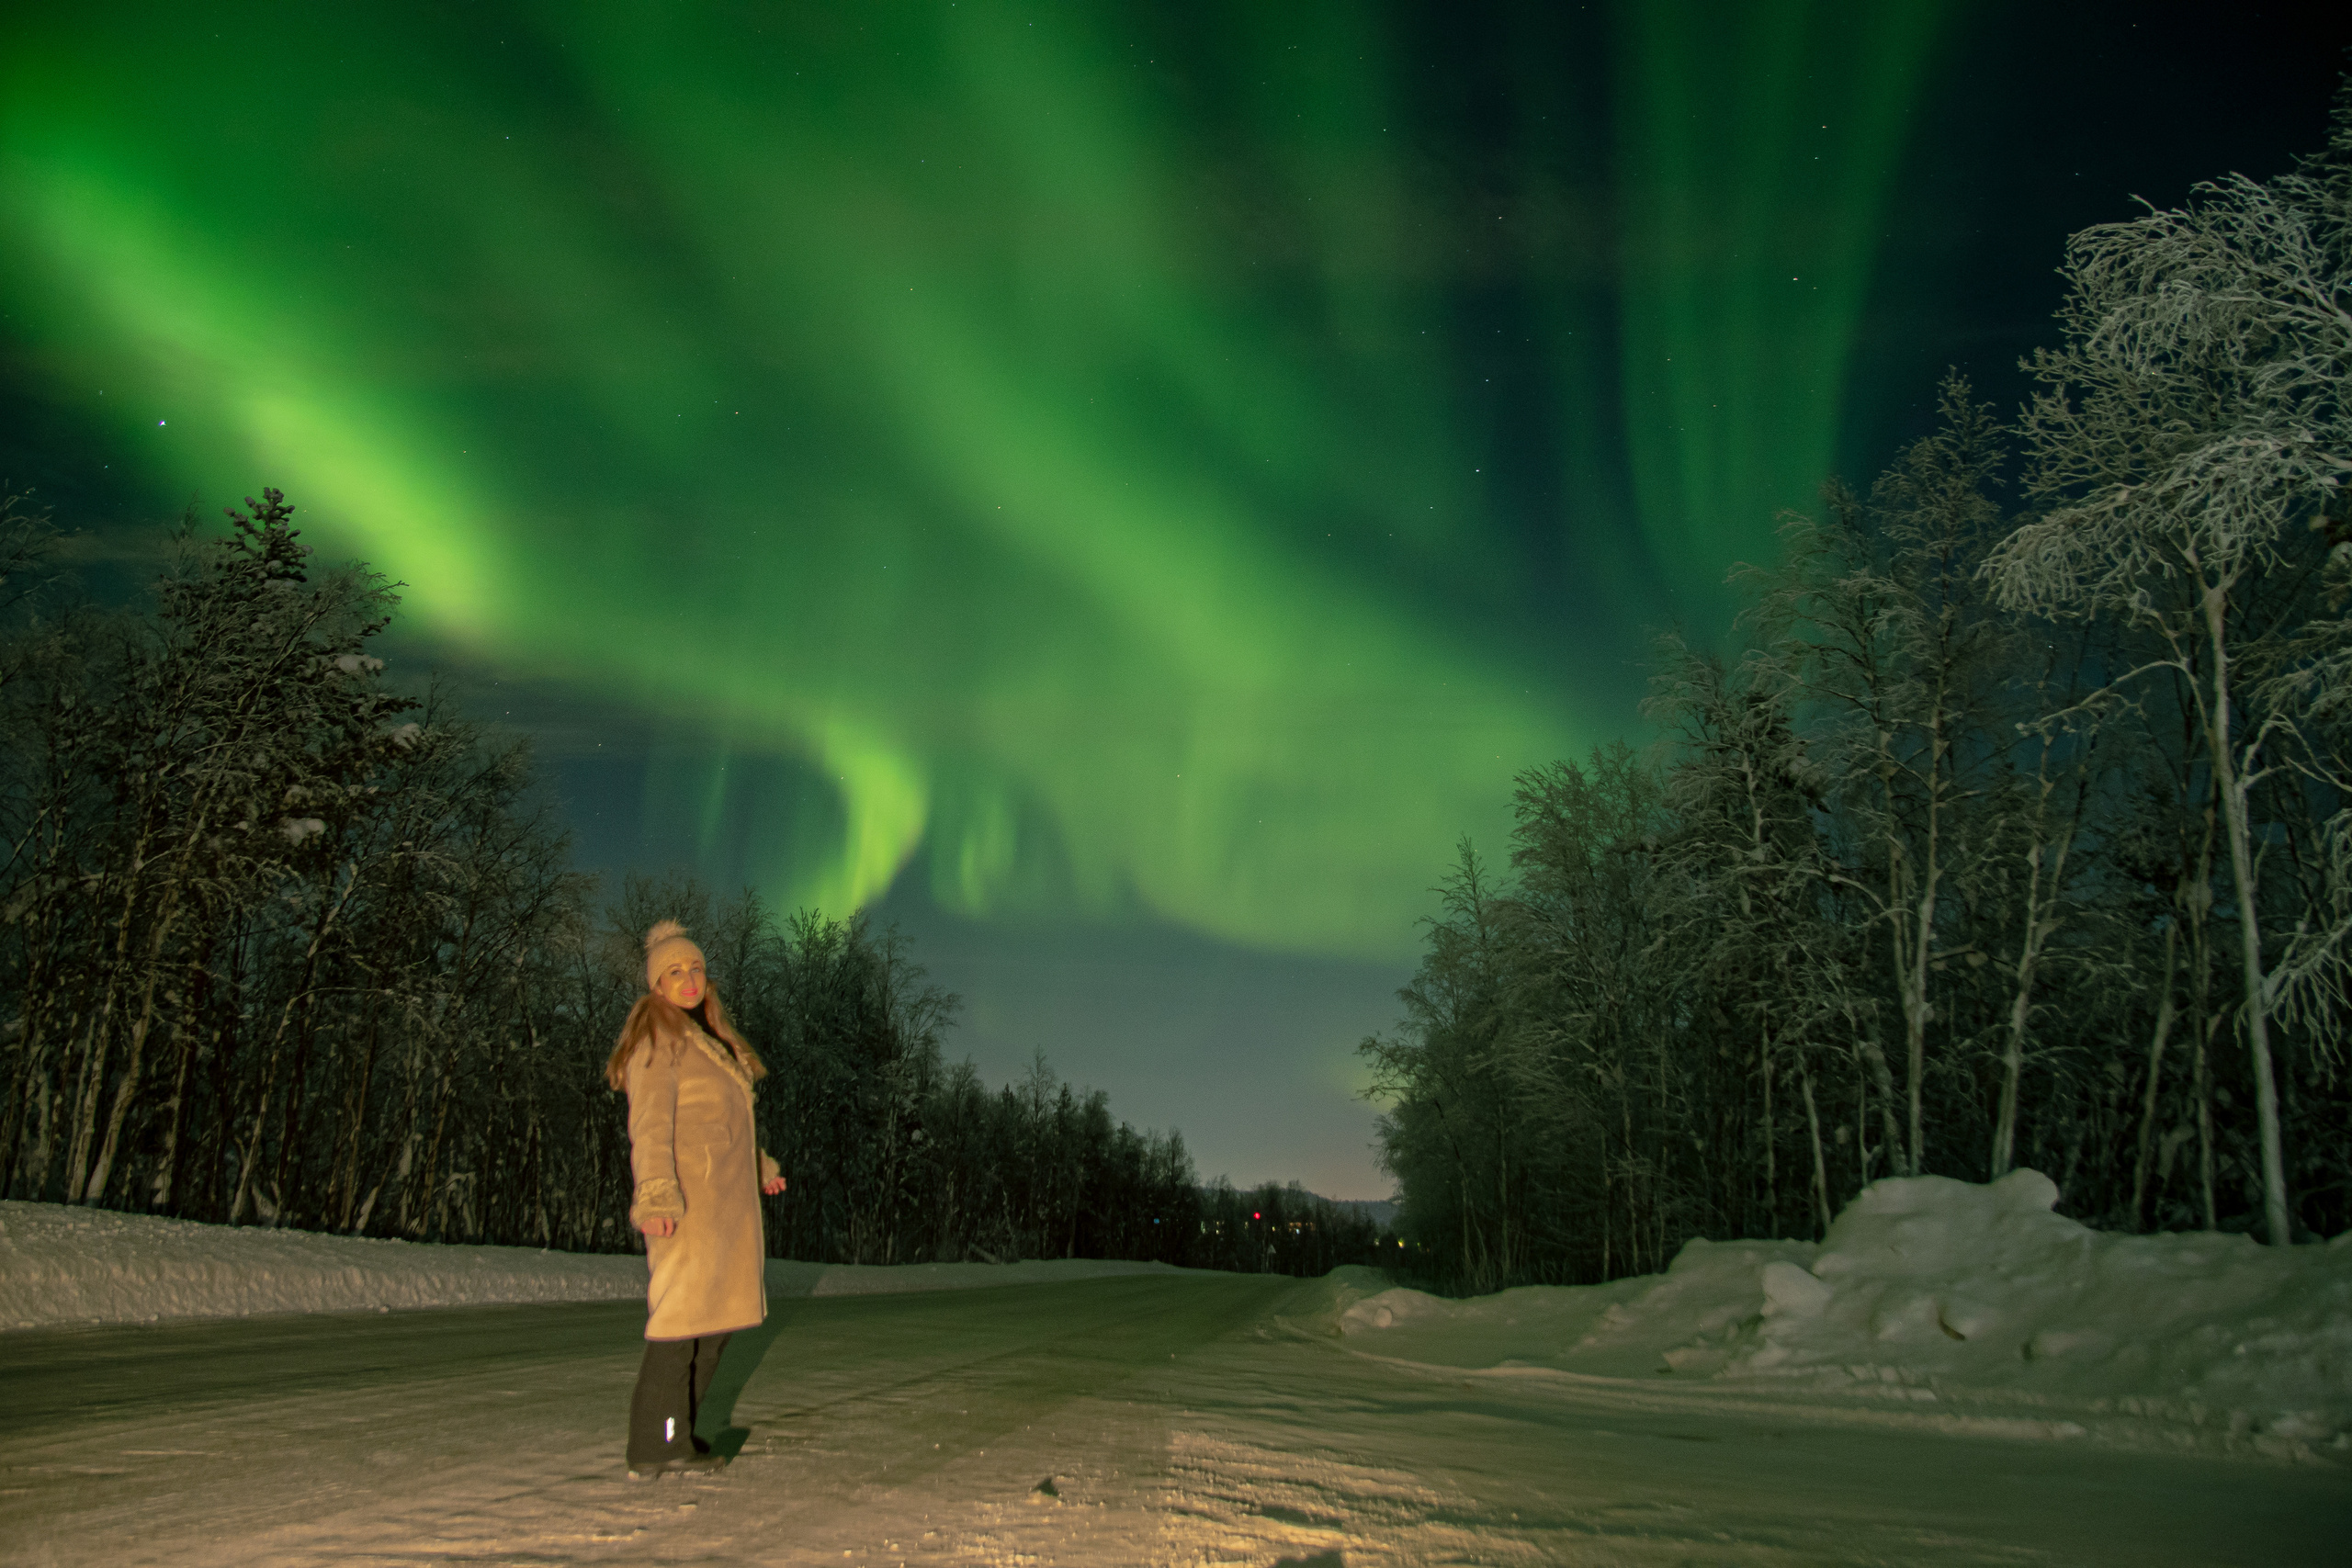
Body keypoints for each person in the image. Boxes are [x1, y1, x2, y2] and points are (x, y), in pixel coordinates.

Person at [605, 919, 788, 1480]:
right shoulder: (657, 1040)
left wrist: (759, 1165)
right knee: (681, 1326)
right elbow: (649, 1126)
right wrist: (656, 1196)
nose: (689, 980)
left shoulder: (707, 1041)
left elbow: (720, 1123)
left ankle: (677, 1432)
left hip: (724, 1211)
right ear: (657, 984)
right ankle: (658, 1444)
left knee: (716, 1325)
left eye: (696, 969)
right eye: (675, 972)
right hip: (687, 1209)